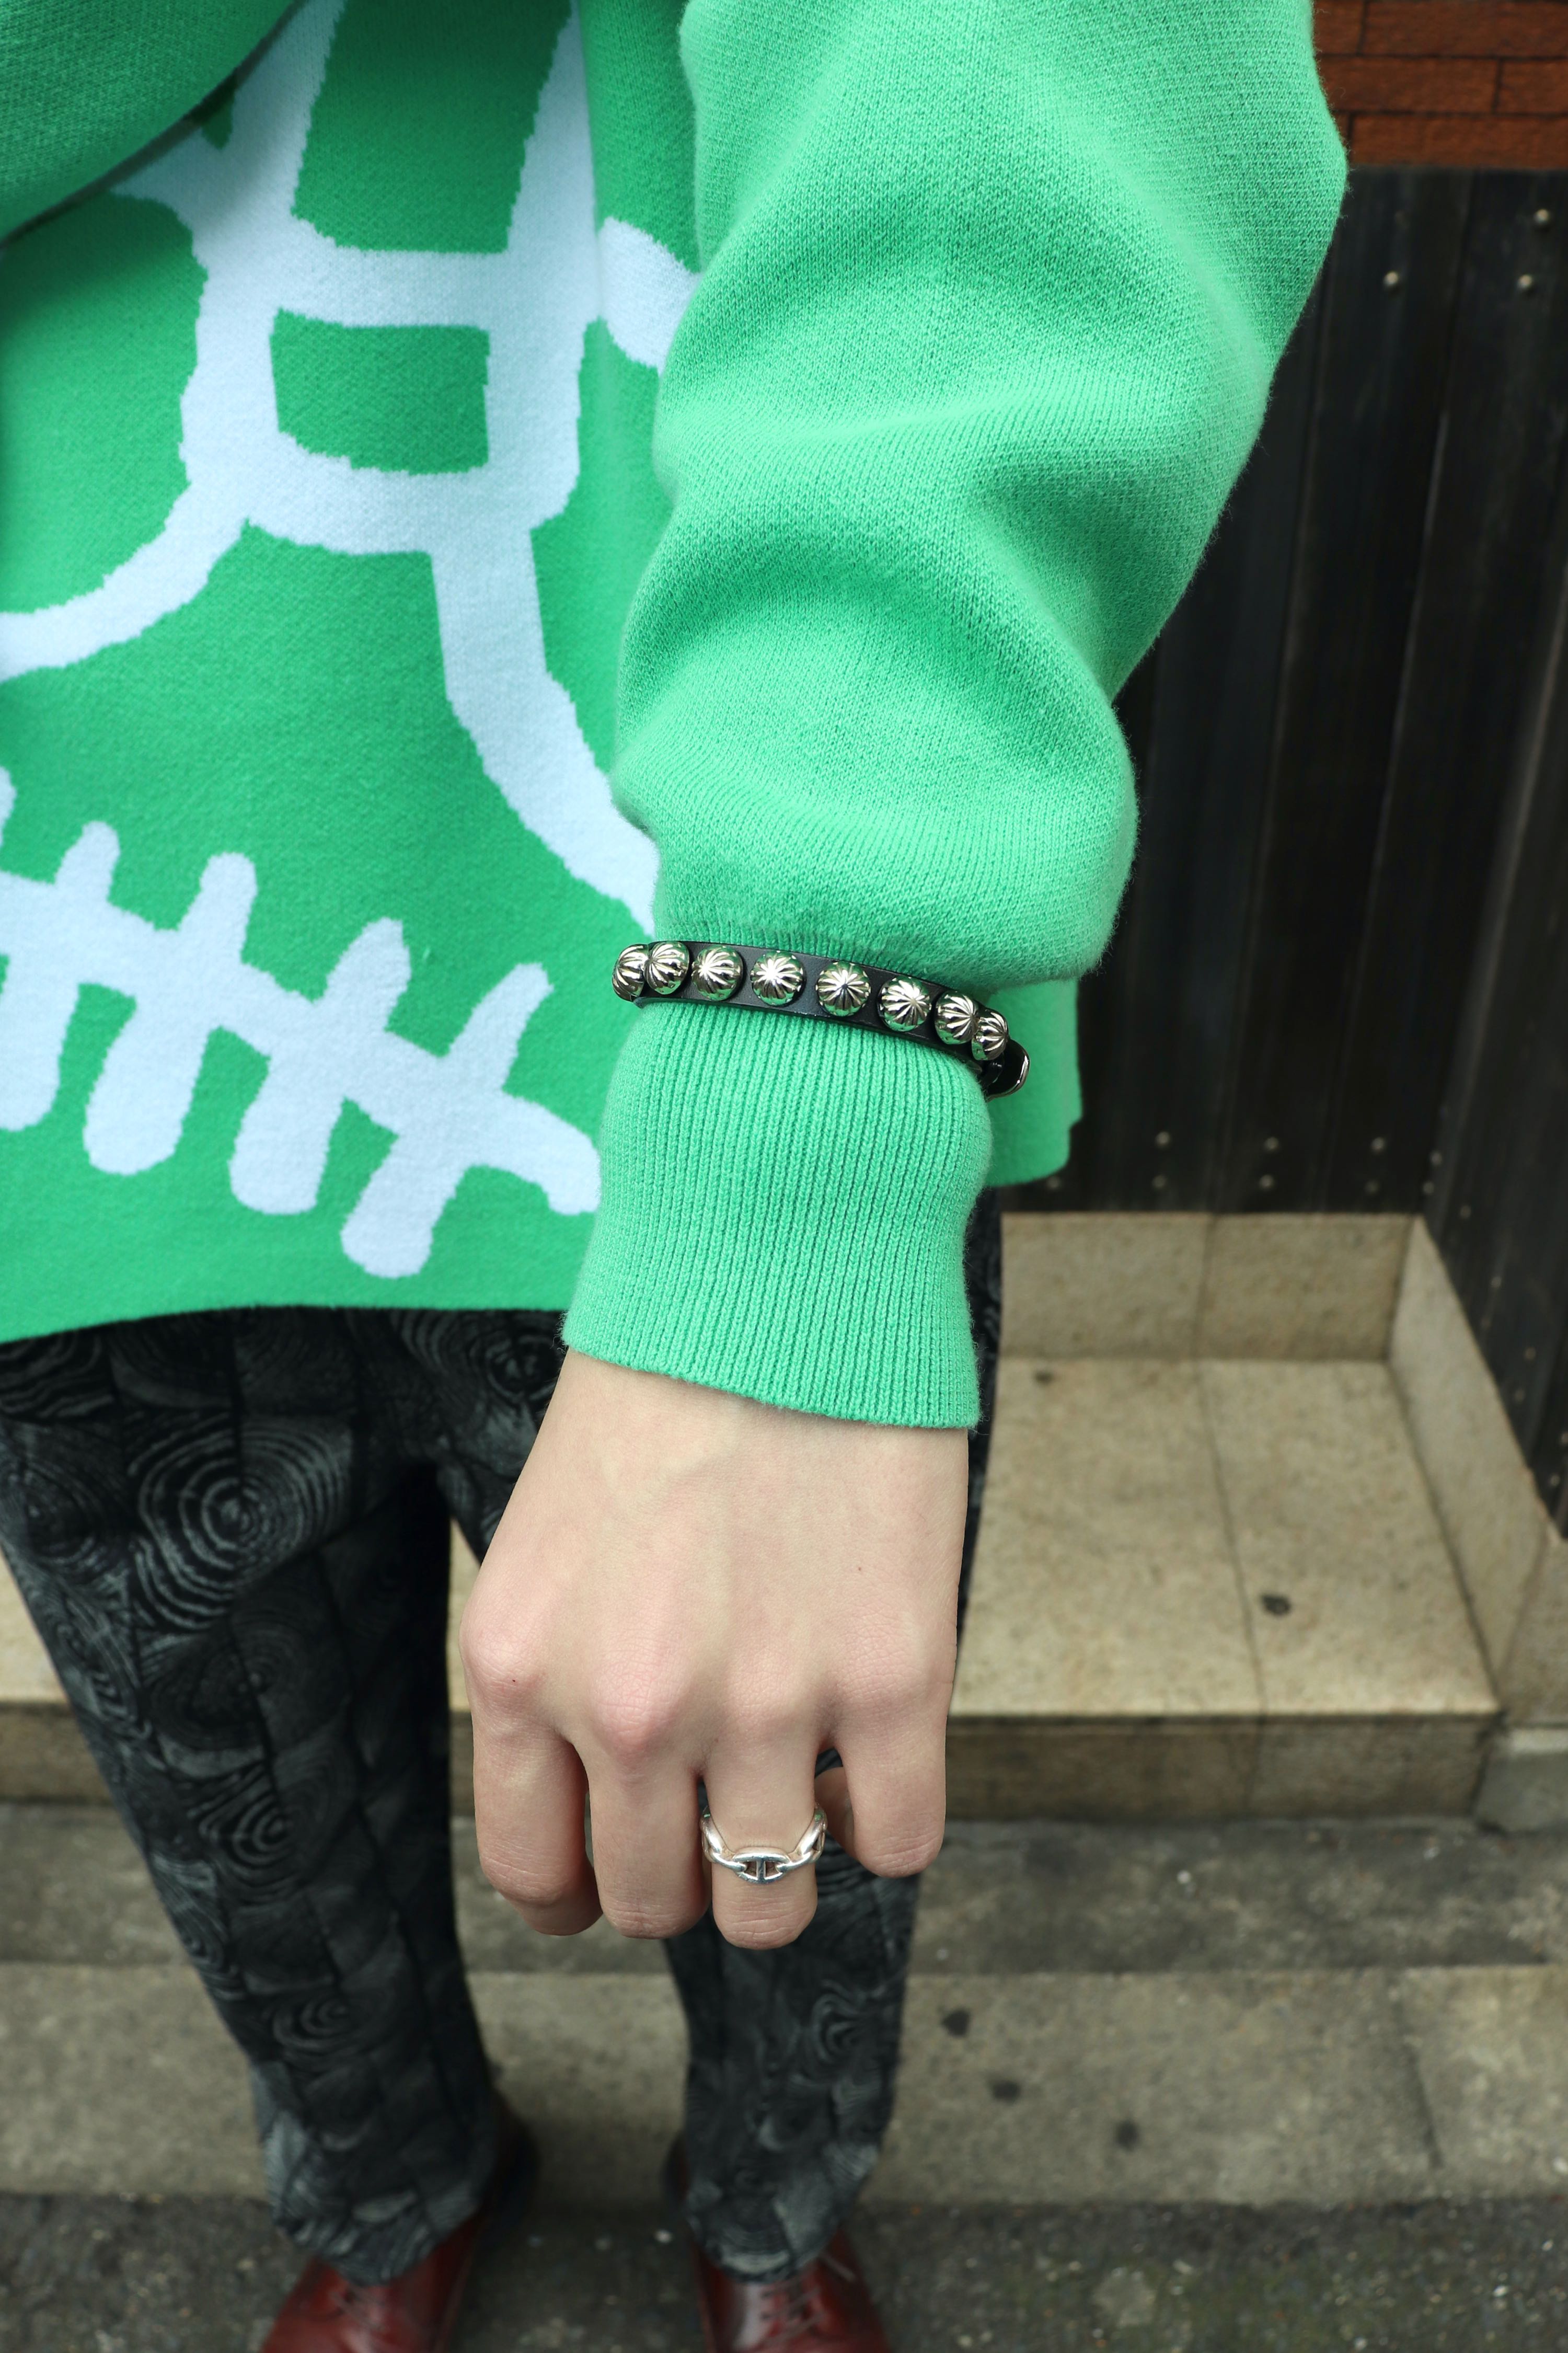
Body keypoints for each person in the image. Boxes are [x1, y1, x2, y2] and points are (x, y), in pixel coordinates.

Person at [0, 3, 1344, 2346]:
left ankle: (771, 2203)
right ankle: (388, 2186)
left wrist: (814, 1100)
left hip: (710, 897)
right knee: (231, 1787)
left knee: (789, 1789)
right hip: (75, 936)